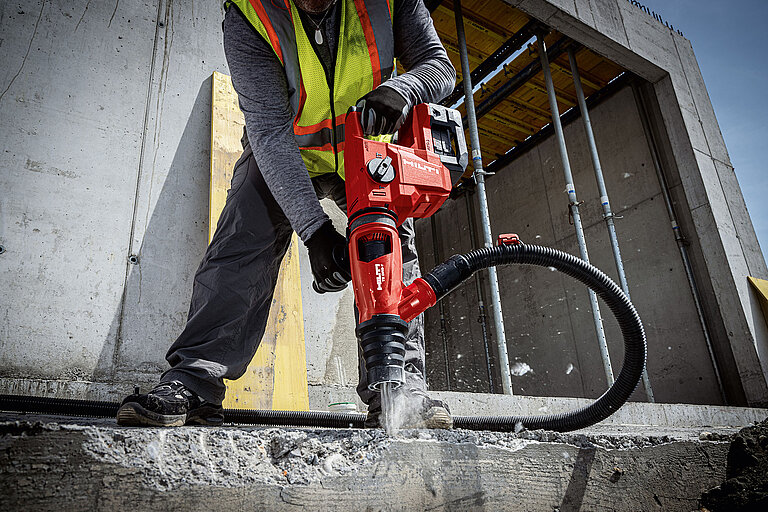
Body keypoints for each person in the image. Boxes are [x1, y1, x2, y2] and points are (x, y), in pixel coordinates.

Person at [116, 0, 456, 428]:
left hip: (368, 153)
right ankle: (195, 380)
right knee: (243, 244)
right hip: (289, 152)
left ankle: (397, 388)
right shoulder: (250, 13)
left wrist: (405, 88)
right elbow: (270, 131)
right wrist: (315, 233)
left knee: (388, 255)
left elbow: (439, 65)